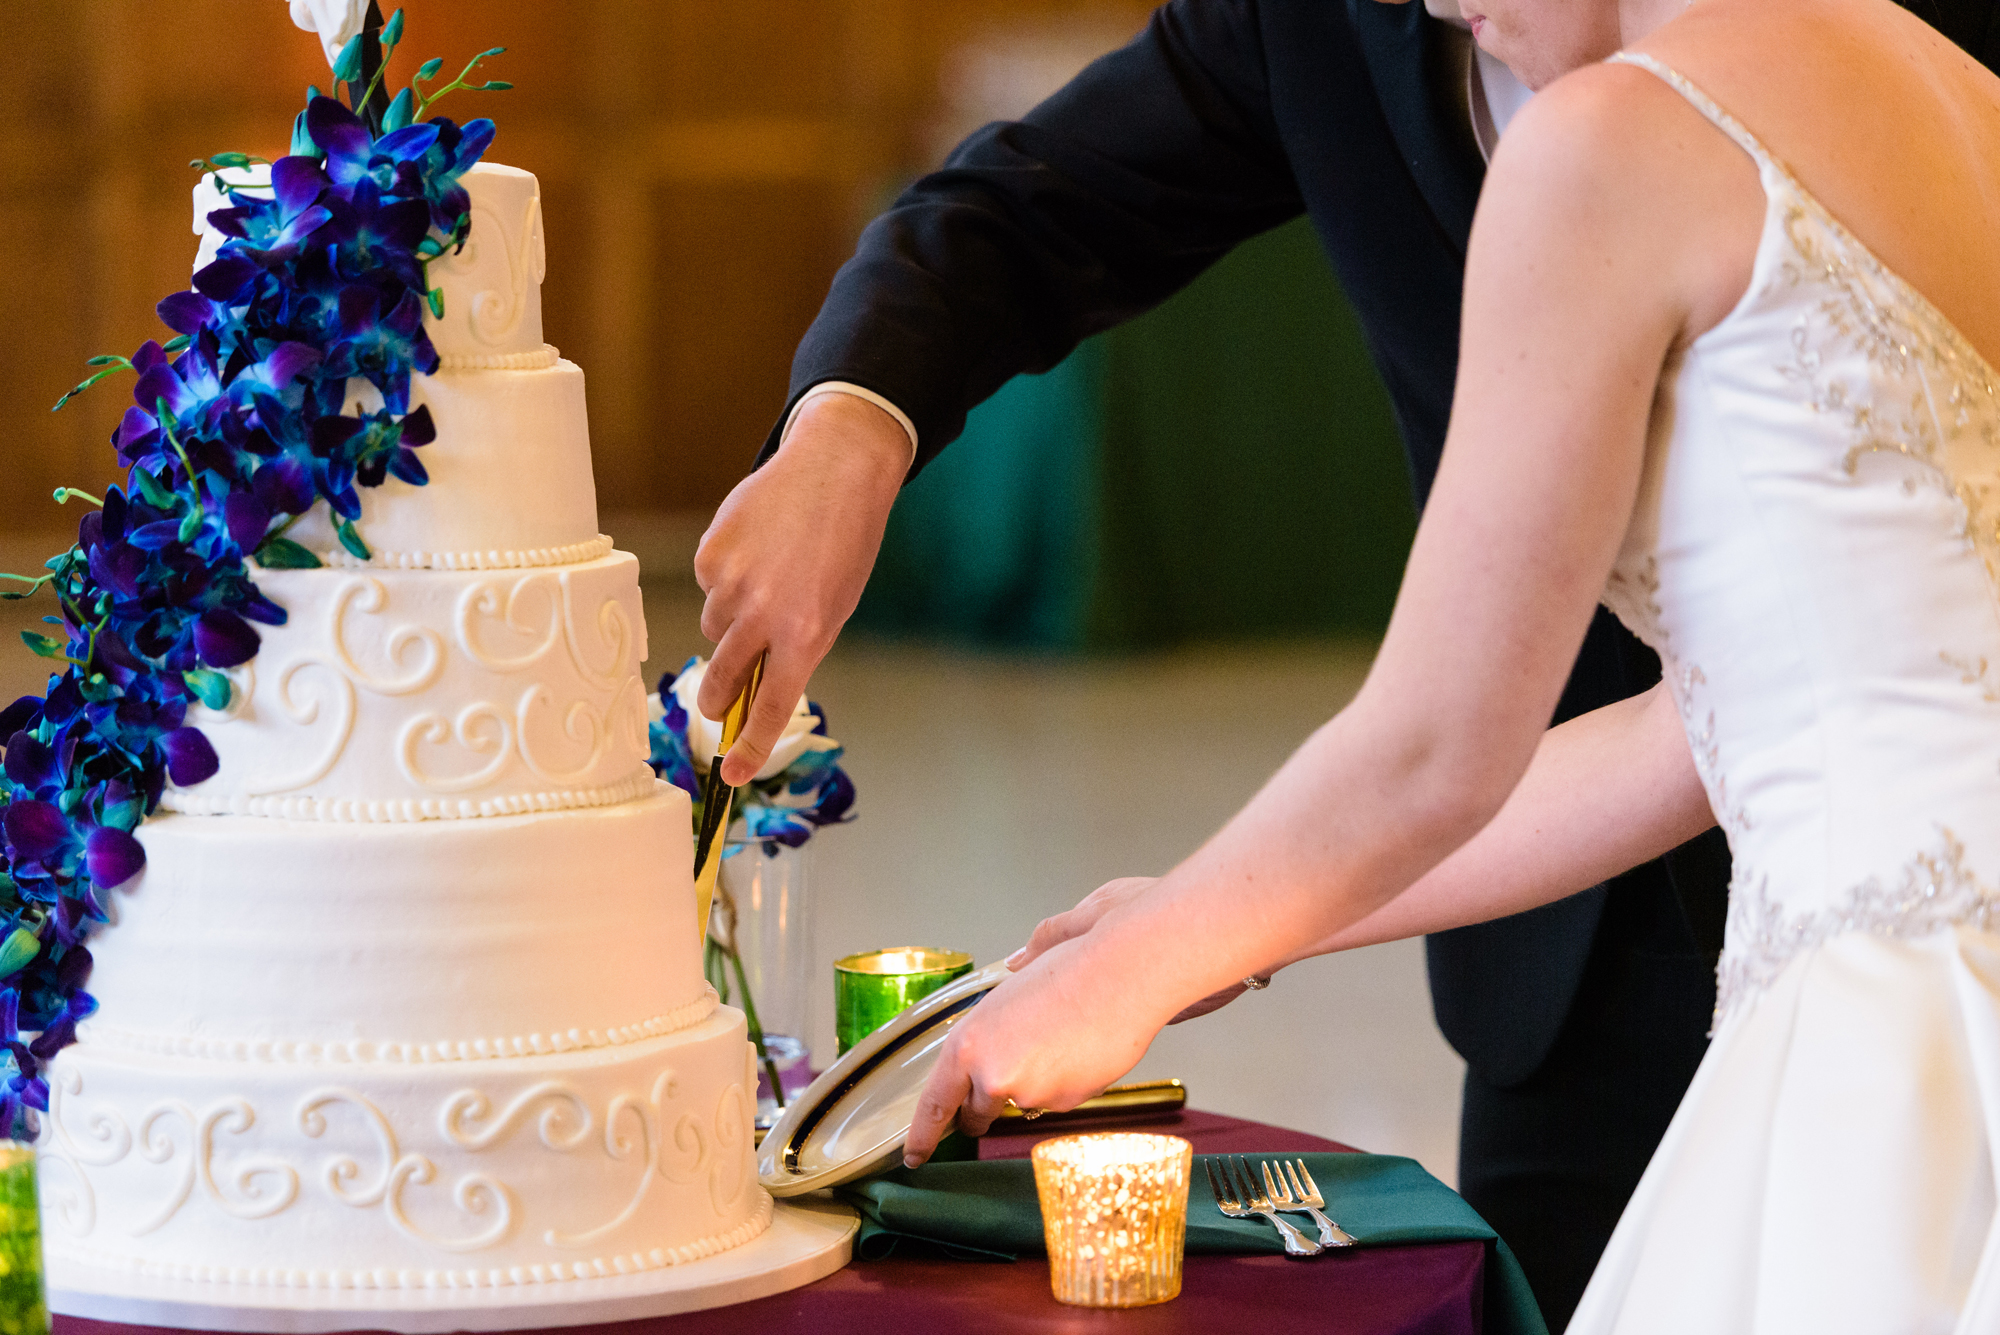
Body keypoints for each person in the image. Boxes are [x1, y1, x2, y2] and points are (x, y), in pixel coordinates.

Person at [693, 0, 1998, 1326]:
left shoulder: (1605, 141)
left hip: (1890, 1044)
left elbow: (1439, 747)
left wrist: (1126, 976)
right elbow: (1718, 728)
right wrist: (1192, 923)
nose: (1430, 7)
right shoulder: (1939, 93)